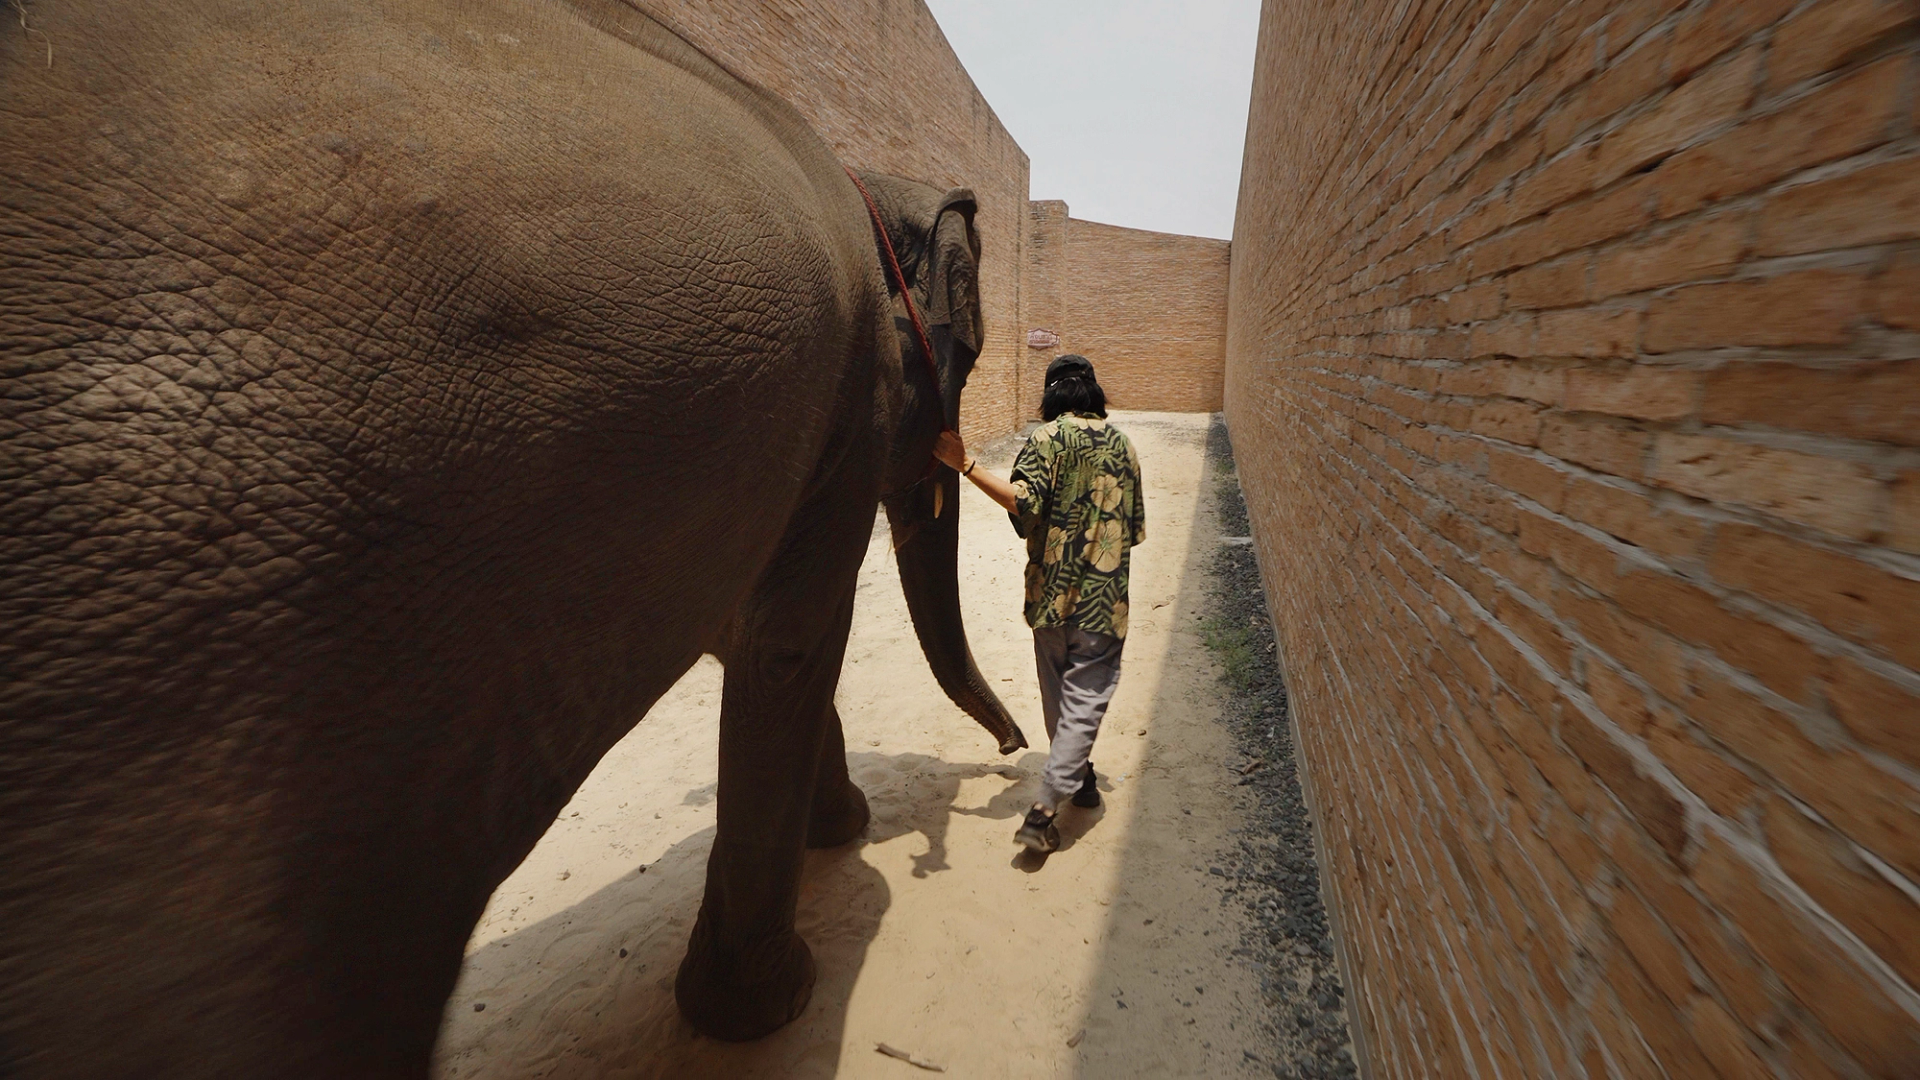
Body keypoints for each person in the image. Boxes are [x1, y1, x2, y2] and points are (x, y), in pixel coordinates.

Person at [933, 354, 1145, 853]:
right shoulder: (1124, 446)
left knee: (1059, 699)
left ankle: (1078, 780)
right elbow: (1132, 533)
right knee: (1085, 701)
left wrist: (966, 465)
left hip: (1049, 598)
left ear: (1052, 395)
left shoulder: (1046, 439)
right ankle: (1048, 805)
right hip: (1103, 604)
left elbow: (1022, 503)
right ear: (1094, 393)